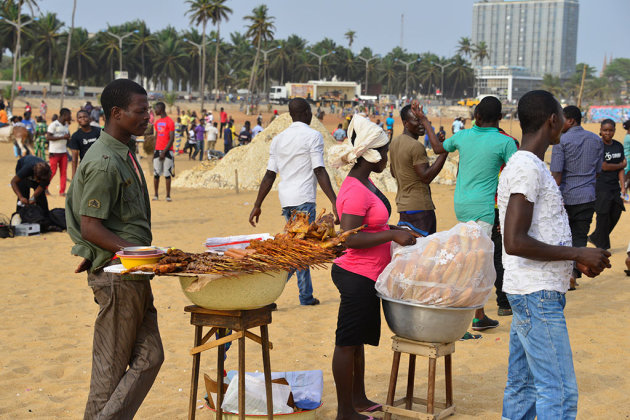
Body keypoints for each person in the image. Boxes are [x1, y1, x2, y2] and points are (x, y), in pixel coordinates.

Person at [498, 90, 611, 420]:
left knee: (524, 386)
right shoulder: (526, 168)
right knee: (559, 391)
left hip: (531, 290)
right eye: (562, 115)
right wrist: (577, 251)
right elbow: (515, 241)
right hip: (537, 295)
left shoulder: (530, 165)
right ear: (553, 120)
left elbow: (536, 234)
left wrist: (574, 259)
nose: (565, 121)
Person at [66, 79, 163, 419]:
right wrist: (139, 254)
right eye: (140, 111)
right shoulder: (106, 161)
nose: (147, 117)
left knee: (151, 357)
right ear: (117, 113)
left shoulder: (124, 151)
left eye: (148, 109)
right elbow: (91, 226)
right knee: (108, 374)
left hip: (133, 274)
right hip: (118, 276)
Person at [328, 115, 417, 420]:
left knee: (358, 342)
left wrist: (394, 227)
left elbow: (370, 224)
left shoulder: (365, 181)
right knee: (346, 342)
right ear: (373, 155)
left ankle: (358, 398)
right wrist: (392, 234)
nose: (388, 156)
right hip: (355, 273)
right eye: (386, 150)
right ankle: (344, 412)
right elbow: (348, 237)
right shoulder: (354, 189)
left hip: (368, 275)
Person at [426, 96, 517, 331]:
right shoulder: (504, 142)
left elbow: (437, 148)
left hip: (461, 205)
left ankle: (475, 311)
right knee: (480, 261)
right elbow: (515, 175)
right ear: (500, 118)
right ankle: (475, 315)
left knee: (470, 256)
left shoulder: (463, 136)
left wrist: (426, 122)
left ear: (475, 116)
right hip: (484, 208)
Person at [249, 98, 338, 306]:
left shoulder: (279, 139)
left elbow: (269, 175)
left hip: (286, 200)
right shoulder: (313, 136)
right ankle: (267, 293)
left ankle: (306, 295)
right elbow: (319, 169)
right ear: (306, 112)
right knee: (297, 251)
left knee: (301, 248)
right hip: (304, 199)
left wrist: (257, 204)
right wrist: (334, 200)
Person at [550, 105, 604, 289]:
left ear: (571, 120)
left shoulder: (561, 141)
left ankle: (566, 274)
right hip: (587, 196)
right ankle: (573, 274)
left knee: (562, 236)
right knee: (580, 237)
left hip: (565, 196)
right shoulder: (596, 140)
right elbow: (597, 172)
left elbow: (556, 175)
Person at [390, 104, 448, 236]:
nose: (421, 124)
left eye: (422, 120)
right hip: (420, 208)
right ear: (406, 123)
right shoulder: (416, 146)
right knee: (425, 251)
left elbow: (394, 173)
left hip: (403, 206)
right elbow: (426, 177)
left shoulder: (394, 143)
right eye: (417, 120)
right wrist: (444, 153)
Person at [588, 119, 626, 250]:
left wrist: (623, 187)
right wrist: (621, 164)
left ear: (614, 131)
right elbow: (604, 166)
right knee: (603, 216)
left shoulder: (618, 146)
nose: (608, 133)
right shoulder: (597, 146)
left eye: (610, 130)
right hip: (600, 186)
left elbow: (621, 170)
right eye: (605, 130)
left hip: (615, 187)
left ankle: (595, 237)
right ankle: (602, 247)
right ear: (600, 130)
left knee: (616, 213)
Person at [46, 108, 71, 196]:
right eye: (69, 115)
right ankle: (45, 188)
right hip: (54, 152)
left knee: (64, 172)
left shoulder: (66, 125)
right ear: (64, 115)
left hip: (63, 152)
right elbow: (48, 137)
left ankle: (62, 191)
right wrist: (62, 137)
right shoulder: (54, 125)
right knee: (52, 171)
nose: (70, 117)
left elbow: (67, 137)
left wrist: (68, 138)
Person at [152, 102, 175, 201]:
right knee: (156, 174)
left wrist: (164, 152)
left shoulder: (170, 122)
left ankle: (168, 196)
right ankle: (156, 195)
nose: (155, 111)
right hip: (157, 151)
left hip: (168, 152)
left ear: (160, 109)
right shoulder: (157, 123)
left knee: (167, 174)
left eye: (156, 108)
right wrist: (155, 149)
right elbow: (157, 137)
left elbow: (171, 139)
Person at [69, 110, 101, 178]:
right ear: (77, 120)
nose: (83, 119)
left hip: (100, 165)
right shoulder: (75, 136)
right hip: (86, 167)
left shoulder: (99, 131)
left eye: (85, 116)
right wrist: (73, 175)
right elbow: (74, 158)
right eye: (80, 117)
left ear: (89, 118)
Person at [622, 119, 630, 198]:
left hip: (628, 159)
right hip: (628, 160)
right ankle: (624, 197)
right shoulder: (628, 137)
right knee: (626, 180)